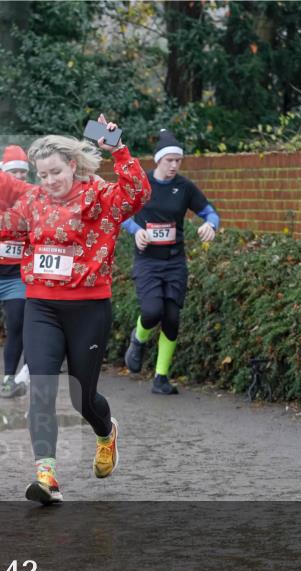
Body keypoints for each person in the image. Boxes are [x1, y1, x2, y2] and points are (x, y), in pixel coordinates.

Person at [0, 118, 150, 505]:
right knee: (41, 390)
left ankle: (106, 433)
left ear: (73, 164)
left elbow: (137, 193)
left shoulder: (100, 197)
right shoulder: (33, 202)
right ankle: (46, 475)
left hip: (88, 308)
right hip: (41, 306)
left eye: (56, 172)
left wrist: (118, 150)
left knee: (82, 399)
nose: (49, 180)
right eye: (43, 174)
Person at [121, 129, 220, 394]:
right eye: (170, 160)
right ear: (158, 160)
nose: (174, 165)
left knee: (172, 317)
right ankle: (138, 338)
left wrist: (211, 225)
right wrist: (136, 231)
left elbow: (210, 212)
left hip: (175, 262)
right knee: (153, 312)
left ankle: (161, 378)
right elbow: (121, 213)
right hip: (147, 262)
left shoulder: (185, 187)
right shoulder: (143, 185)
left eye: (178, 160)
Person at [0, 145, 31, 397]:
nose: (19, 177)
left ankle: (8, 378)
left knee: (16, 325)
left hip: (17, 277)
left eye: (23, 173)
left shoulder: (31, 199)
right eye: (13, 171)